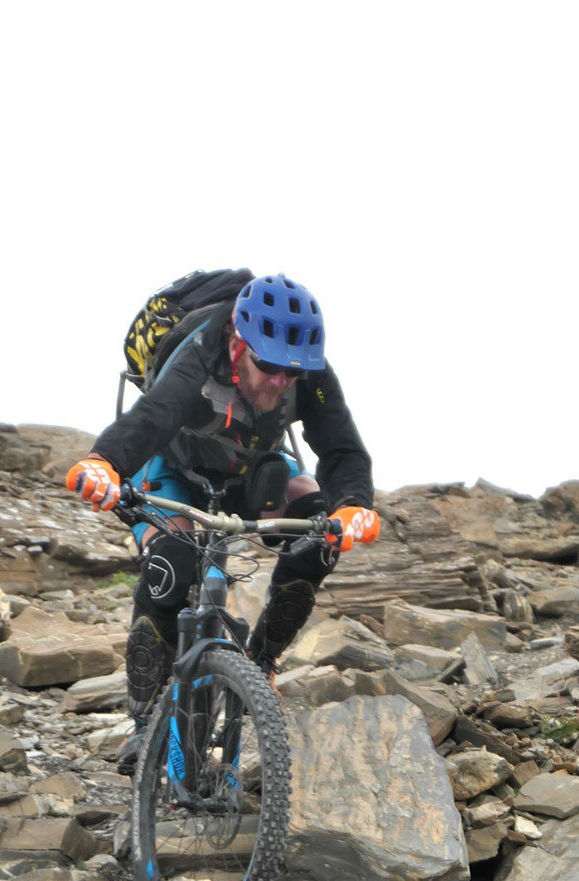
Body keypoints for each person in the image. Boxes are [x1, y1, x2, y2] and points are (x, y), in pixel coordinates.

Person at [66, 273, 380, 773]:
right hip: (173, 470)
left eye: (291, 374)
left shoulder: (307, 372)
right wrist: (103, 462)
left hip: (253, 471)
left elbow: (341, 448)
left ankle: (260, 662)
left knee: (320, 538)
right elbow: (153, 416)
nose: (280, 381)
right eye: (268, 366)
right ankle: (146, 726)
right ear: (238, 341)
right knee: (170, 565)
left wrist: (352, 505)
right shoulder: (202, 352)